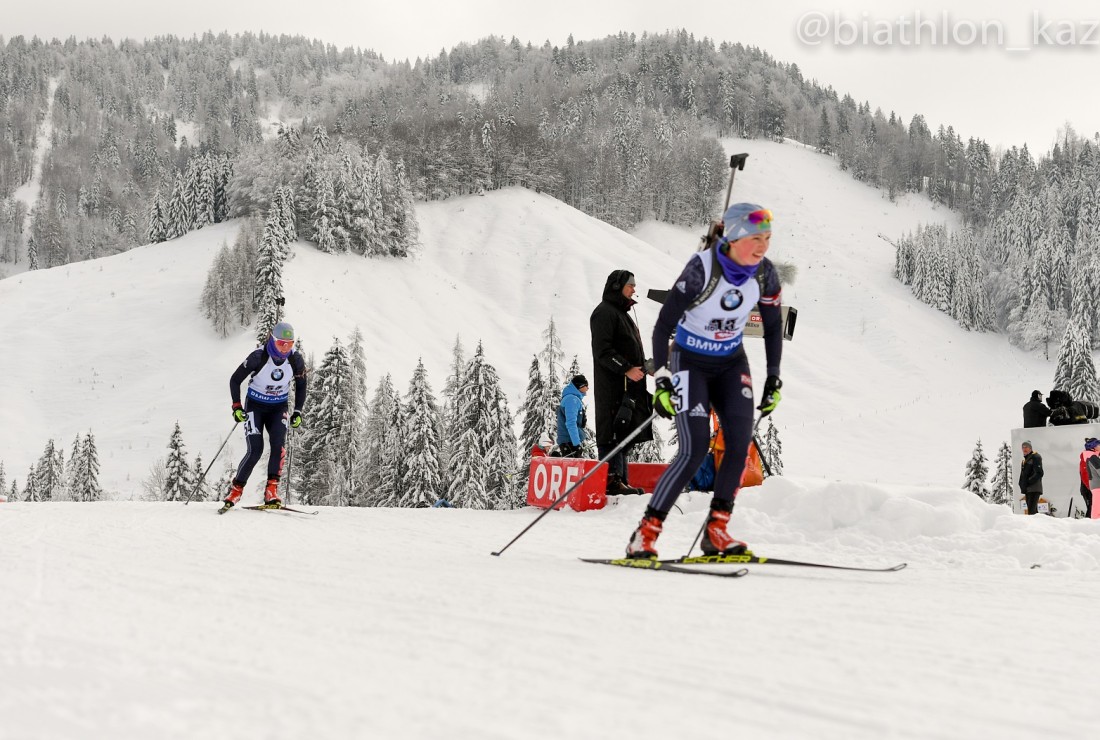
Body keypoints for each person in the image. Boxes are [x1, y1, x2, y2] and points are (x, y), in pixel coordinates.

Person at [625, 203, 783, 558]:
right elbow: (664, 324)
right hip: (689, 362)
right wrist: (663, 378)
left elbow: (773, 327)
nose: (763, 247)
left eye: (768, 239)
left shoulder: (765, 274)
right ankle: (645, 535)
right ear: (734, 237)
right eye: (756, 238)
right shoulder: (702, 269)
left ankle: (717, 531)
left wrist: (773, 378)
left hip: (730, 363)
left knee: (740, 445)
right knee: (695, 449)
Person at [219, 321, 308, 513]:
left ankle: (271, 491)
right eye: (281, 343)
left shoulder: (295, 360)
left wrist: (298, 411)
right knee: (255, 450)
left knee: (279, 446)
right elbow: (235, 380)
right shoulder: (258, 356)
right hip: (255, 406)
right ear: (272, 340)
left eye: (289, 344)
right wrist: (236, 407)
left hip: (278, 408)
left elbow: (301, 386)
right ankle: (236, 490)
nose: (285, 348)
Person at [590, 269, 653, 495]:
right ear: (617, 286)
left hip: (628, 388)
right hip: (612, 387)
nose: (634, 289)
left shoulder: (621, 314)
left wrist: (645, 367)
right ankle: (612, 482)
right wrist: (626, 369)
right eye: (630, 285)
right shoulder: (604, 313)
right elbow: (603, 351)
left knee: (624, 431)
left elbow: (629, 351)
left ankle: (620, 481)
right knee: (612, 430)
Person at [553, 374, 589, 458]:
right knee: (573, 470)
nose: (588, 388)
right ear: (580, 386)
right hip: (569, 442)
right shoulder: (572, 400)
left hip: (570, 441)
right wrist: (576, 444)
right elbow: (571, 423)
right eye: (586, 386)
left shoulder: (573, 399)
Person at [1019, 441, 1044, 516]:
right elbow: (1023, 475)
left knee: (1032, 511)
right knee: (1032, 511)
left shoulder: (1035, 457)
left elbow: (1039, 473)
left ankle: (1035, 526)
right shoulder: (1025, 460)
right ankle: (1036, 526)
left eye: (1026, 447)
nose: (1024, 449)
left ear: (1030, 448)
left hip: (1034, 488)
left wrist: (1029, 481)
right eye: (1023, 447)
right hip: (1028, 489)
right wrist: (1021, 483)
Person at [1080, 438, 1100, 519]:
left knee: (1097, 505)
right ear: (1093, 447)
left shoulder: (1092, 456)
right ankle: (1094, 523)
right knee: (1097, 507)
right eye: (1098, 445)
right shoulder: (1092, 456)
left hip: (1095, 485)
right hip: (1097, 485)